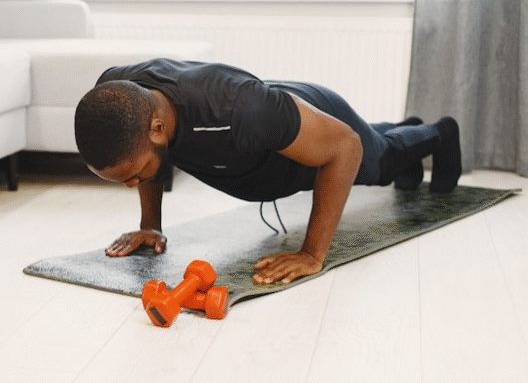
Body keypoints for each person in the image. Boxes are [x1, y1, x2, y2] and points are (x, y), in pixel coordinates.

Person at [74, 59, 461, 285]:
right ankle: (398, 130)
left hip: (312, 116)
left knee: (380, 164)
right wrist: (150, 225)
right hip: (281, 117)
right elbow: (140, 156)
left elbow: (346, 147)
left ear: (157, 128)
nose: (131, 184)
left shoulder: (240, 113)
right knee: (373, 141)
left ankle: (439, 133)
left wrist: (312, 253)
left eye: (135, 174)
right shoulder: (119, 95)